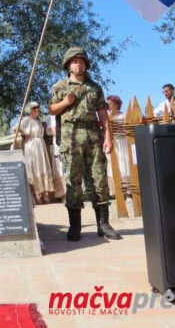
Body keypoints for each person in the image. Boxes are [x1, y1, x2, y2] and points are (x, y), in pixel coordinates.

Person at [48, 47, 122, 241]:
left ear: (86, 65)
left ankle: (103, 224)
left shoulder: (94, 88)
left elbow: (104, 115)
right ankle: (75, 226)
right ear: (68, 65)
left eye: (81, 61)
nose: (78, 64)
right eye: (74, 61)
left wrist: (108, 137)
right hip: (70, 137)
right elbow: (52, 109)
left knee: (99, 179)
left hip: (92, 137)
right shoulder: (59, 87)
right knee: (73, 181)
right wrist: (64, 102)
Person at [13, 101, 54, 205]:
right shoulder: (26, 120)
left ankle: (44, 193)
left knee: (42, 167)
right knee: (34, 168)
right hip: (32, 145)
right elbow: (15, 128)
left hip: (40, 145)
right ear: (29, 110)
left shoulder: (39, 121)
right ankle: (37, 194)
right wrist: (25, 134)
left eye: (37, 107)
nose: (36, 109)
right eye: (34, 108)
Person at [106, 95, 131, 195]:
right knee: (113, 167)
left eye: (109, 104)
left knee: (125, 166)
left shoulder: (124, 116)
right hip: (112, 143)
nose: (108, 106)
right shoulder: (106, 117)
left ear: (116, 104)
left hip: (123, 143)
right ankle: (117, 193)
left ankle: (128, 193)